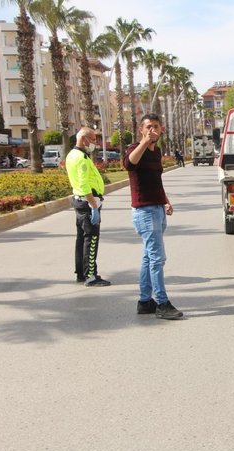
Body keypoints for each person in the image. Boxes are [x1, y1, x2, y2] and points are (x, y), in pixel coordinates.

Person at [123, 113, 183, 320]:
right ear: (141, 130)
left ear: (161, 128)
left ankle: (145, 301)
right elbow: (129, 164)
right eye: (148, 127)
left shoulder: (156, 152)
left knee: (149, 257)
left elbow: (157, 181)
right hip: (144, 211)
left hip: (157, 208)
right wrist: (144, 143)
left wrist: (166, 200)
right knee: (157, 258)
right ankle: (162, 303)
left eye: (155, 126)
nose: (152, 130)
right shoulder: (134, 149)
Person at [65, 127, 111, 287]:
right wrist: (93, 206)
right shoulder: (82, 159)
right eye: (92, 139)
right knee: (91, 239)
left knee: (82, 239)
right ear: (84, 139)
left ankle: (81, 273)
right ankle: (90, 276)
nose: (94, 143)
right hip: (87, 202)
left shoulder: (72, 155)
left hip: (79, 201)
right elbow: (84, 185)